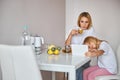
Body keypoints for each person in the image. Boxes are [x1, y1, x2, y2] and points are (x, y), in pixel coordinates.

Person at [65, 12, 97, 80]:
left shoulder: (90, 30)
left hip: (85, 59)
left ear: (89, 22)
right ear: (79, 21)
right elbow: (67, 47)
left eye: (86, 22)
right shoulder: (73, 30)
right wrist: (71, 35)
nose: (84, 24)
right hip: (73, 58)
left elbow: (94, 46)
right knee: (76, 70)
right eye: (82, 21)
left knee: (79, 71)